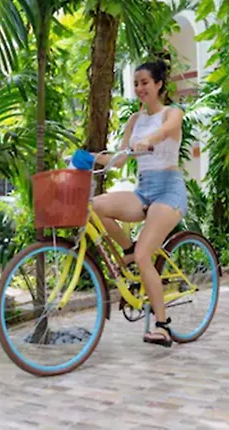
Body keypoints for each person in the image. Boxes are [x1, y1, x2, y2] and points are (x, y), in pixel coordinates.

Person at [91, 55, 187, 347]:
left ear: (159, 84)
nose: (139, 88)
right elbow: (119, 160)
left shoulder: (172, 113)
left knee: (146, 256)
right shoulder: (135, 120)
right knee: (94, 207)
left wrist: (150, 141)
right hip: (144, 190)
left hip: (169, 191)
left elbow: (166, 131)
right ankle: (128, 248)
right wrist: (89, 157)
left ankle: (162, 326)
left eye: (145, 82)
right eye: (136, 84)